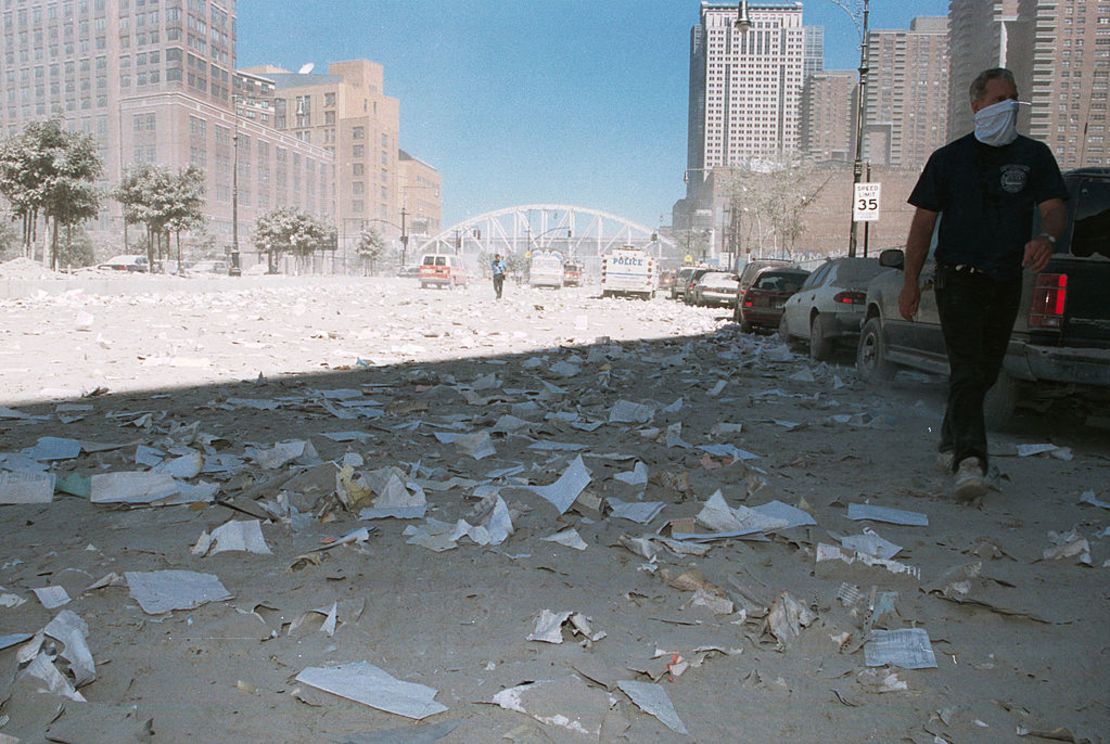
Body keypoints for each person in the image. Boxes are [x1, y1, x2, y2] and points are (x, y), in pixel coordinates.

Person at [899, 68, 1067, 501]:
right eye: (998, 99)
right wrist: (910, 282)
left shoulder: (1034, 156)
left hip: (1006, 279)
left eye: (1014, 97)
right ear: (976, 106)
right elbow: (922, 226)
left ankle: (950, 439)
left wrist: (1046, 237)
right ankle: (971, 461)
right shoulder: (949, 159)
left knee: (985, 371)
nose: (1008, 105)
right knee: (969, 367)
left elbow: (1053, 208)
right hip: (958, 279)